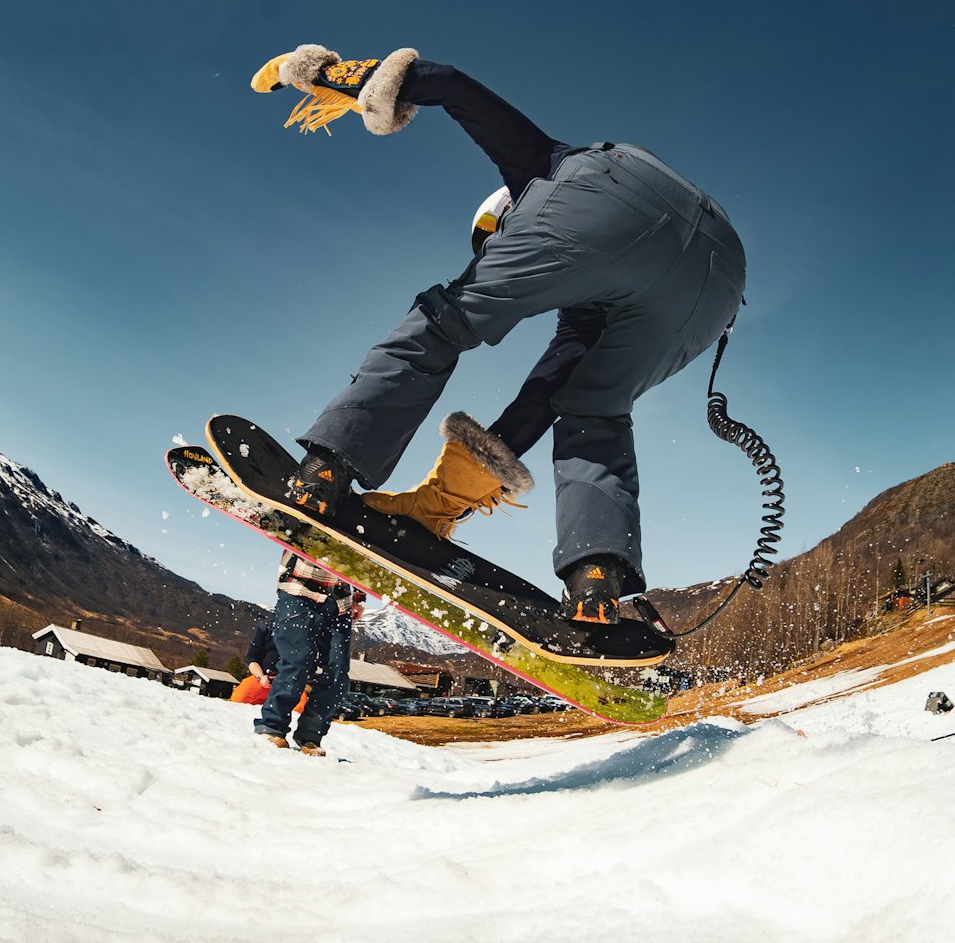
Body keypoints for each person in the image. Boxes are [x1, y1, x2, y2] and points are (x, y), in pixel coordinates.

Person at [251, 46, 746, 662]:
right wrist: (441, 500)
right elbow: (541, 401)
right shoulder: (590, 312)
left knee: (442, 321)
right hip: (718, 283)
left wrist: (325, 74)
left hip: (603, 199)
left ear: (504, 216)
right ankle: (597, 581)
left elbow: (449, 84)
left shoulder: (541, 171)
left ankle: (327, 470)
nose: (490, 255)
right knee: (595, 408)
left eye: (492, 242)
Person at [255, 547, 365, 755]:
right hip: (299, 590)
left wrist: (358, 599)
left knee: (337, 672)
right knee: (297, 661)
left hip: (339, 602)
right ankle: (272, 726)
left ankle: (310, 736)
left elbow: (367, 557)